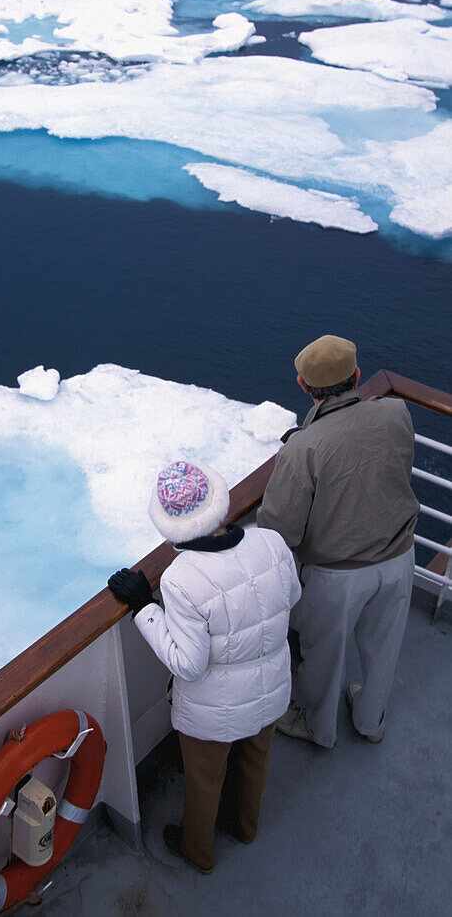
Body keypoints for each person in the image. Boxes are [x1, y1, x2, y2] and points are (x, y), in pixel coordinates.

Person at [108, 460, 300, 874]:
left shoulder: (182, 578)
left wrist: (144, 607)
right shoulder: (270, 542)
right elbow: (292, 597)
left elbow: (188, 664)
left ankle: (197, 850)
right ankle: (246, 827)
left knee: (205, 781)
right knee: (255, 760)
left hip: (215, 712)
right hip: (272, 690)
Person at [258, 334, 419, 749]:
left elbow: (279, 530)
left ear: (302, 386)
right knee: (383, 650)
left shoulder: (303, 449)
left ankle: (319, 727)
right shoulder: (396, 412)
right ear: (358, 376)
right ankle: (370, 721)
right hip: (400, 557)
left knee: (324, 660)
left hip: (339, 576)